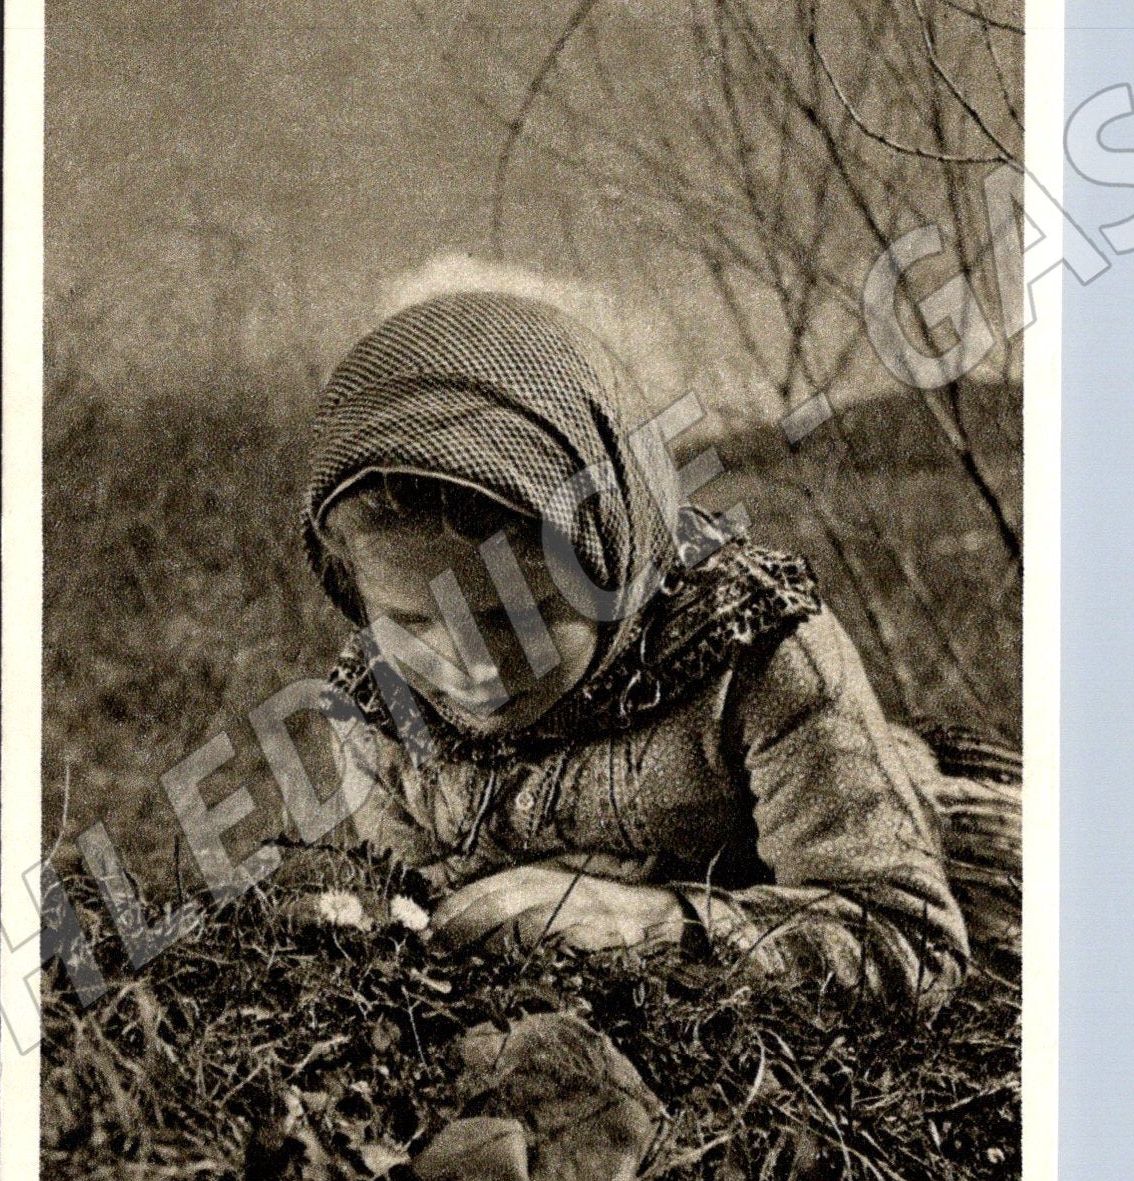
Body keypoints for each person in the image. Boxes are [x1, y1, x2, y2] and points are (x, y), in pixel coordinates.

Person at [298, 268, 979, 1021]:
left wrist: (655, 922)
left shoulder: (755, 654)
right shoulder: (380, 714)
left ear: (611, 559)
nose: (472, 668)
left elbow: (911, 943)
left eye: (515, 614)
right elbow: (417, 915)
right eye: (413, 623)